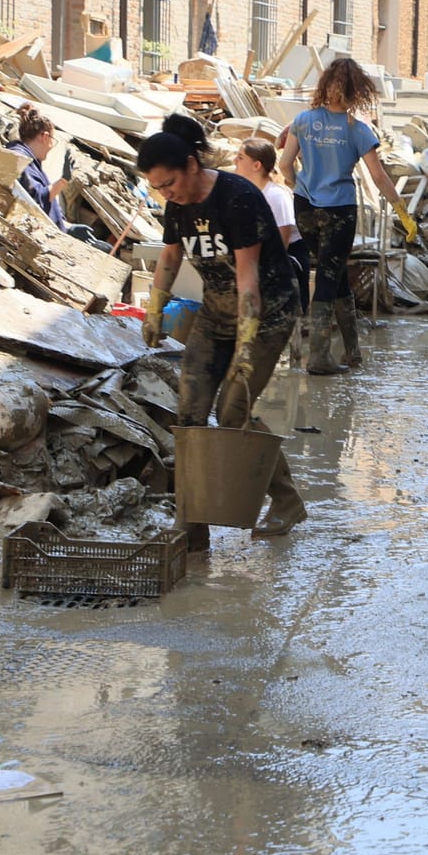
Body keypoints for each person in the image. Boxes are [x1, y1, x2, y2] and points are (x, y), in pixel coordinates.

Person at [137, 114, 308, 544]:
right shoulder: (177, 205)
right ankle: (192, 523)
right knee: (190, 413)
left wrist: (246, 348)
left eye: (168, 184)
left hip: (266, 312)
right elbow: (171, 258)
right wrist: (154, 310)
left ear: (192, 166)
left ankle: (286, 500)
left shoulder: (237, 198)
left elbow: (248, 278)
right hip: (216, 313)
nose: (165, 195)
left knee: (233, 411)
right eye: (157, 188)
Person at [275, 58, 413, 375]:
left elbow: (284, 165)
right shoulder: (358, 130)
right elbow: (378, 177)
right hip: (338, 211)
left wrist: (300, 186)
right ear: (357, 91)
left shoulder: (303, 121)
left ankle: (353, 352)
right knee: (328, 273)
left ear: (324, 86)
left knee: (332, 273)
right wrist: (403, 213)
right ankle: (320, 357)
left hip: (305, 209)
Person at [7, 103, 103, 246]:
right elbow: (35, 200)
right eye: (53, 140)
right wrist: (63, 180)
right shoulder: (20, 159)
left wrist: (68, 228)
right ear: (45, 137)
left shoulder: (31, 162)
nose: (51, 146)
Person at [234, 138, 310, 312]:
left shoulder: (276, 196)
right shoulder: (246, 193)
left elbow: (282, 241)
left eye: (241, 157)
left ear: (256, 165)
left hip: (287, 256)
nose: (235, 162)